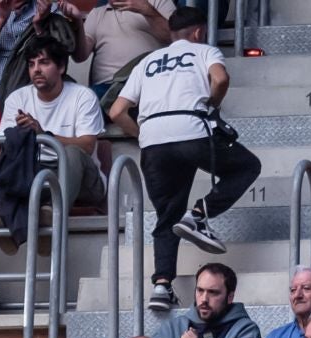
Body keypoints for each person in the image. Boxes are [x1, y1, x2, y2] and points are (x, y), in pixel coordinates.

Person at [107, 7, 259, 312]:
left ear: (172, 33)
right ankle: (199, 214)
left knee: (167, 214)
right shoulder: (204, 50)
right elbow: (220, 79)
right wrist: (212, 104)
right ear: (199, 32)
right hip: (192, 130)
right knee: (247, 166)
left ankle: (161, 286)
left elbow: (116, 112)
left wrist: (143, 135)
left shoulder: (147, 61)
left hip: (153, 143)